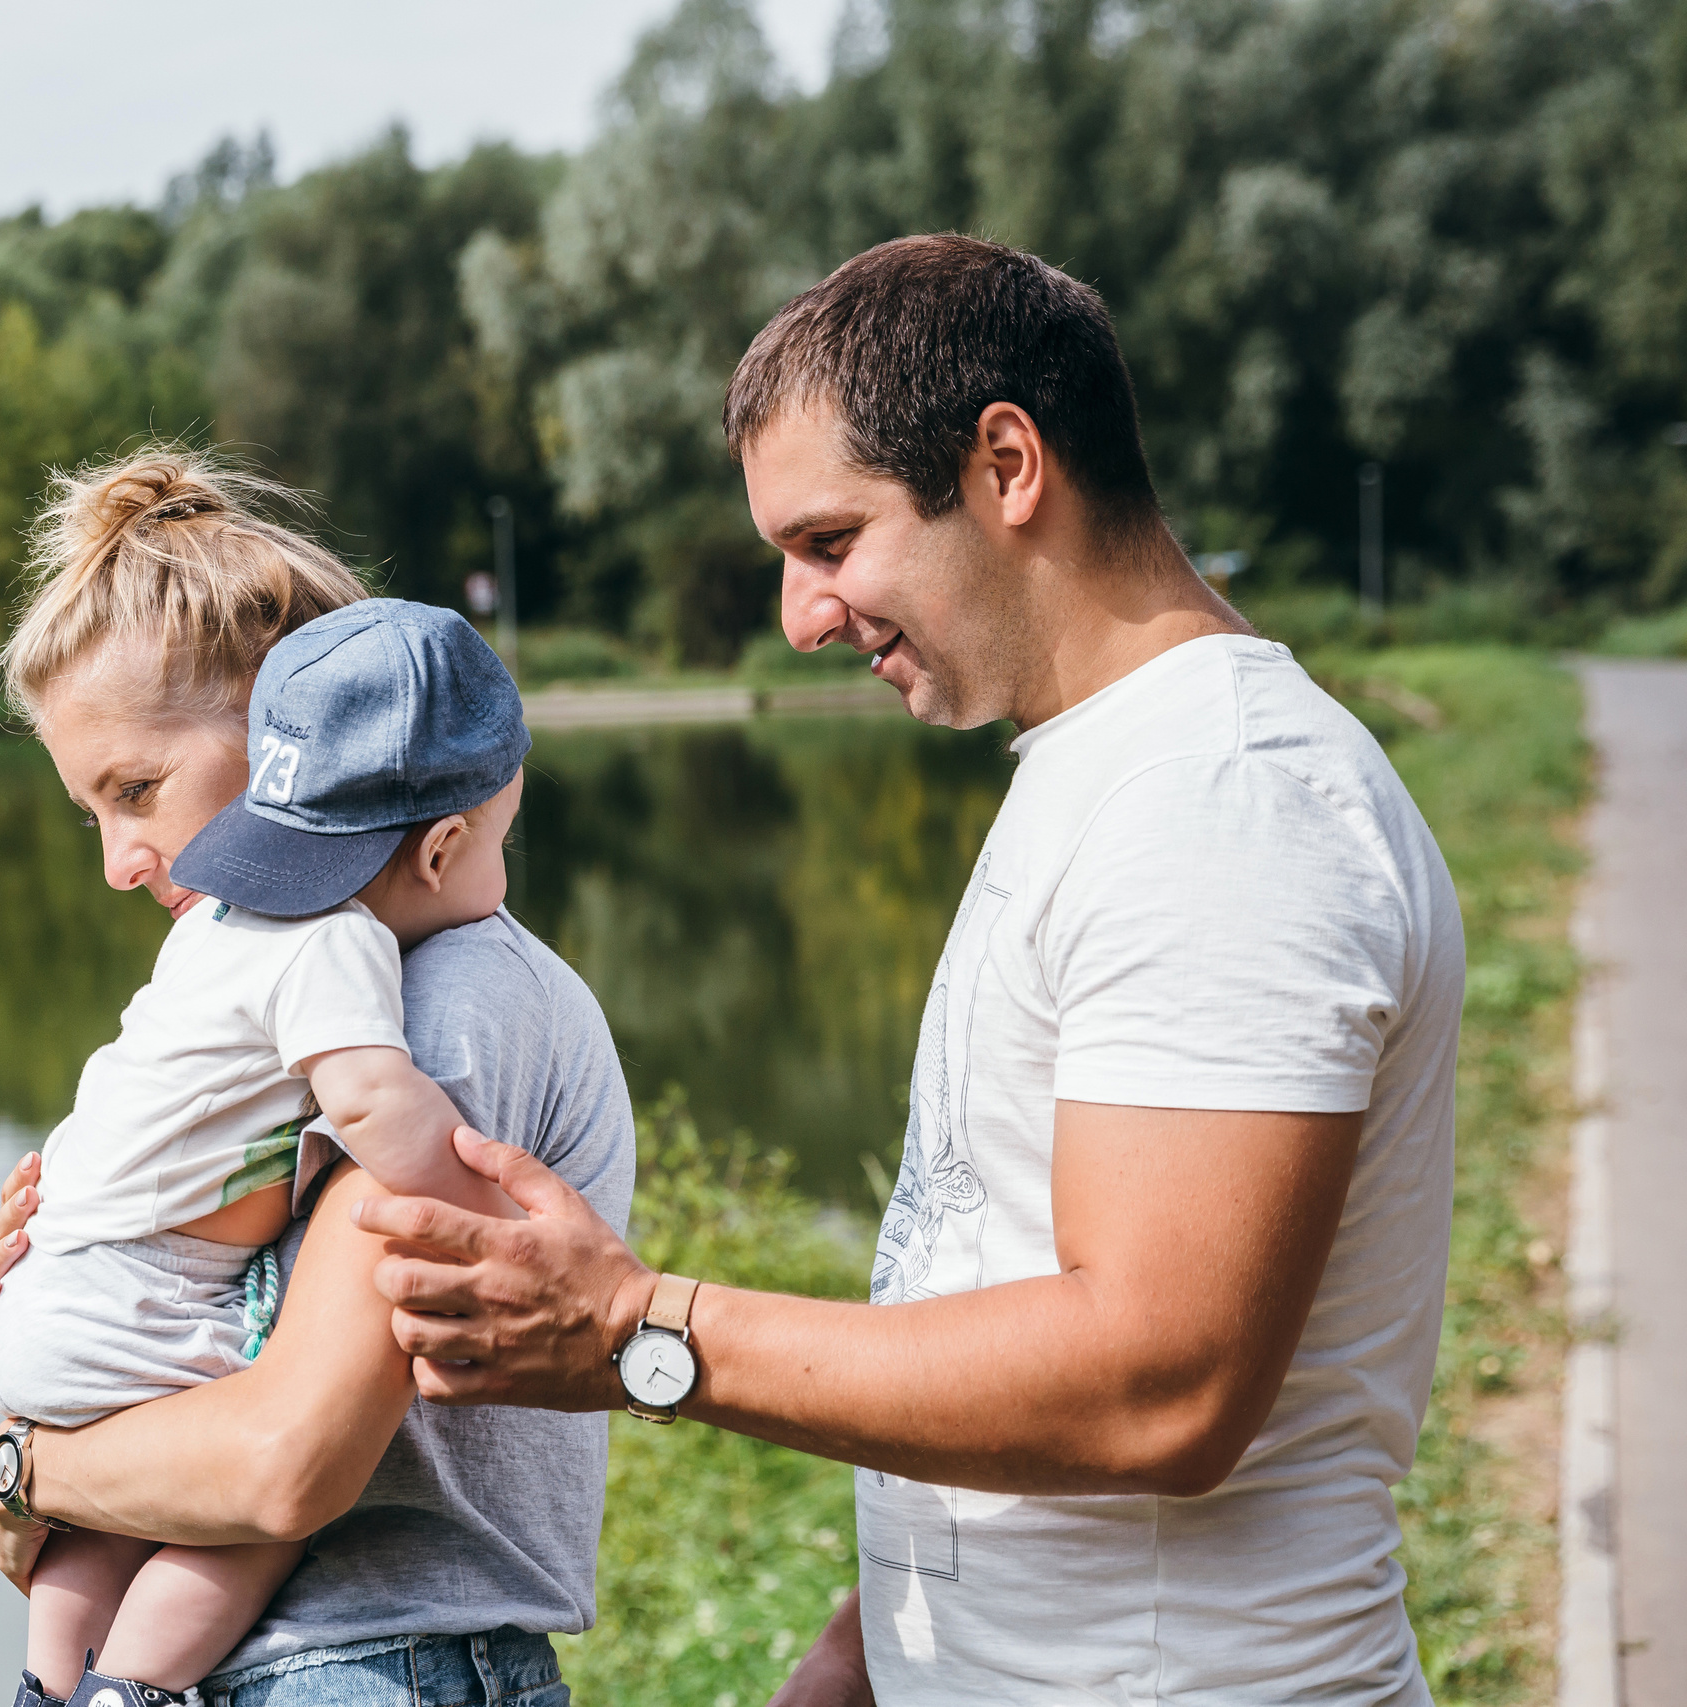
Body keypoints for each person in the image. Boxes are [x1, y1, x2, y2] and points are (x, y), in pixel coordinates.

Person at [349, 234, 1466, 1707]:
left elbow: (1162, 1379)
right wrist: (871, 1640)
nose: (804, 616)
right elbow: (1003, 1276)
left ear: (1007, 465)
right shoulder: (1113, 770)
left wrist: (636, 1330)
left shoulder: (1226, 799)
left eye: (830, 542)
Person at [0, 446, 631, 1707]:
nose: (118, 859)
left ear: (289, 738)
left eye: (138, 789)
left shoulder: (447, 997)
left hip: (389, 1664)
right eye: (91, 810)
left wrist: (31, 1465)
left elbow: (283, 1464)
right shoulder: (274, 972)